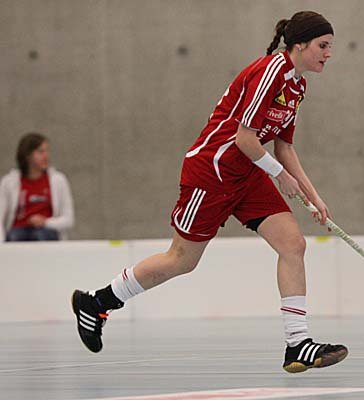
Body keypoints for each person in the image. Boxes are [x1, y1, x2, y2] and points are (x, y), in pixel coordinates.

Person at [71, 11, 347, 373]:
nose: (328, 53)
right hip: (212, 172)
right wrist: (281, 176)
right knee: (181, 260)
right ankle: (97, 302)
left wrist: (313, 195)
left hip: (248, 173)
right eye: (323, 46)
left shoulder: (297, 86)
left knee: (293, 245)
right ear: (299, 45)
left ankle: (297, 345)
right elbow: (245, 139)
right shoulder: (270, 72)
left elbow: (283, 147)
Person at [0, 132, 74, 242]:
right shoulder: (9, 182)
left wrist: (45, 222)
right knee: (13, 236)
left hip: (46, 231)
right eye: (40, 152)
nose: (46, 156)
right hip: (18, 231)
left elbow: (68, 219)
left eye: (47, 151)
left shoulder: (58, 181)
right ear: (27, 156)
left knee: (40, 236)